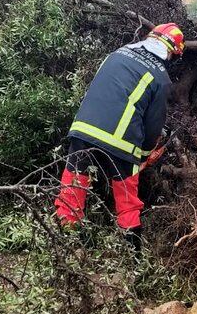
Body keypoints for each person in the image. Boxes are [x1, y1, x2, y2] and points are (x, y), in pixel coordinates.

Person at [54, 23, 185, 246]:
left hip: (83, 128)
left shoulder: (116, 54)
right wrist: (144, 156)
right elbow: (153, 126)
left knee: (72, 189)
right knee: (127, 201)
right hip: (121, 141)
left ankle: (66, 246)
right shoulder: (161, 79)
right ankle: (131, 256)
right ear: (171, 52)